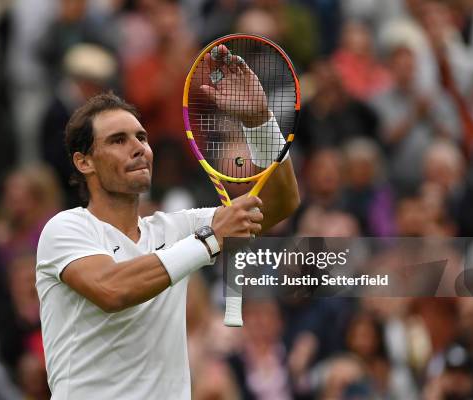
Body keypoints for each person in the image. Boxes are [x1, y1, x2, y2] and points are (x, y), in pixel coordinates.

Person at [36, 52, 299, 398]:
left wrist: (259, 123)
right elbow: (113, 290)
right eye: (118, 140)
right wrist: (210, 239)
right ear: (84, 162)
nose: (139, 148)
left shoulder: (177, 228)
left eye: (142, 138)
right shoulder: (65, 229)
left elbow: (281, 203)